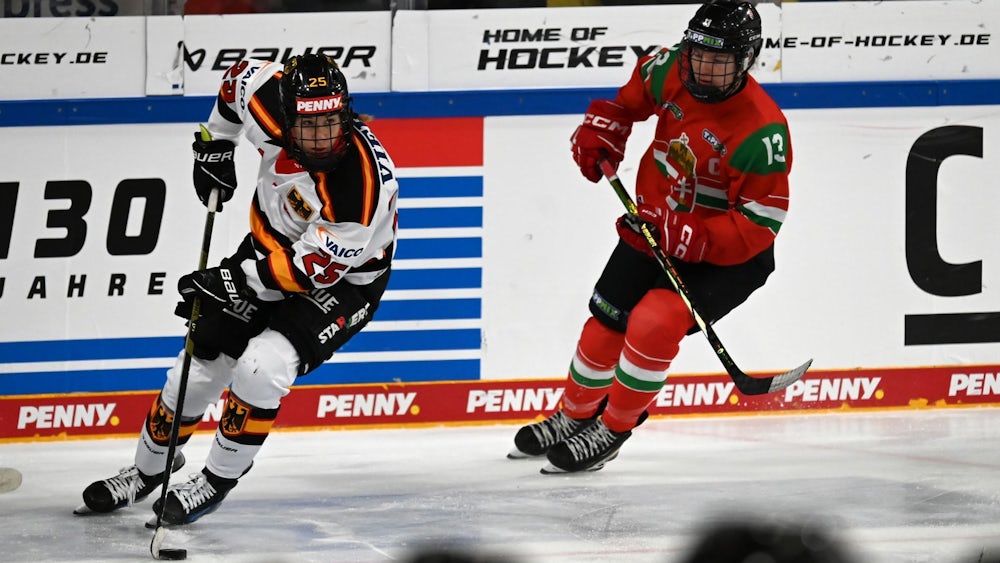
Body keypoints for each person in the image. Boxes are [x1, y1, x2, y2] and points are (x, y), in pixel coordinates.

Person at [75, 54, 399, 524]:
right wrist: (215, 144)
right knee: (200, 362)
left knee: (260, 367)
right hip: (271, 248)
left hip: (344, 281)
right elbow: (235, 83)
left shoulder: (360, 185)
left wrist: (230, 281)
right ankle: (145, 470)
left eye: (332, 122)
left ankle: (215, 480)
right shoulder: (266, 96)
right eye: (309, 126)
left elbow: (310, 272)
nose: (323, 138)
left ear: (345, 112)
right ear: (285, 116)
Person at [508, 0, 792, 473]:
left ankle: (614, 427)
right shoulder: (669, 67)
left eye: (719, 61)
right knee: (604, 322)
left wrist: (697, 238)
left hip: (729, 255)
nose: (703, 67)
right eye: (698, 54)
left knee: (654, 321)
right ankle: (573, 414)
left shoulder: (763, 131)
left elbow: (761, 225)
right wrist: (607, 128)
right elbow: (626, 103)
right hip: (655, 226)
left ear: (747, 60)